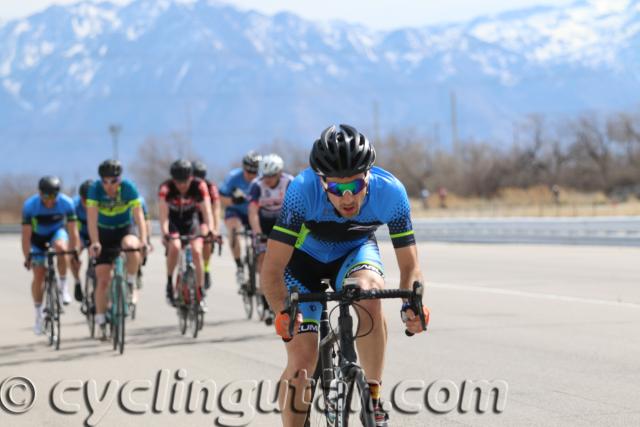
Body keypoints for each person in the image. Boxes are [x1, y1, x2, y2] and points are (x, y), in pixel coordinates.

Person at [261, 124, 430, 427]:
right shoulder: (302, 191)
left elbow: (409, 265)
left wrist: (412, 305)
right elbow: (272, 268)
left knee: (370, 297)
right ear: (322, 182)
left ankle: (372, 398)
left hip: (354, 253)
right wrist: (281, 311)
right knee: (301, 364)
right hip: (303, 263)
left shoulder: (390, 192)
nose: (348, 197)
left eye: (356, 186)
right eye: (337, 189)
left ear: (369, 175)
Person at [87, 160, 147, 341]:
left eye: (113, 181)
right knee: (103, 279)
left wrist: (143, 240)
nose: (109, 186)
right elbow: (91, 219)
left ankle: (130, 281)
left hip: (124, 228)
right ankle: (101, 319)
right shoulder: (95, 190)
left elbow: (139, 216)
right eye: (105, 181)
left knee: (132, 246)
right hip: (103, 232)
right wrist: (95, 242)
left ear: (119, 180)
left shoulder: (129, 188)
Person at [22, 176, 79, 334]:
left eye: (53, 196)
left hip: (56, 233)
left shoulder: (66, 203)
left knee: (61, 247)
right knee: (39, 274)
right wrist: (27, 256)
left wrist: (74, 250)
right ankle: (38, 315)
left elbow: (73, 231)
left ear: (58, 194)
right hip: (37, 239)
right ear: (40, 193)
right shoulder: (30, 206)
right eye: (46, 196)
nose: (49, 201)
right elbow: (26, 236)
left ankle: (63, 286)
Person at [158, 159, 214, 309]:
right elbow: (163, 215)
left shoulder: (199, 186)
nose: (182, 186)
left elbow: (207, 211)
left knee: (197, 251)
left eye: (185, 182)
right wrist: (164, 233)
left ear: (191, 177)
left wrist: (210, 229)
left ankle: (200, 292)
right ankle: (169, 282)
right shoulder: (166, 188)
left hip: (191, 222)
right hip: (174, 223)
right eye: (178, 182)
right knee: (175, 247)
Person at [247, 154, 293, 322]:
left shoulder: (289, 182)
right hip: (263, 224)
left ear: (279, 173)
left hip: (282, 223)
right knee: (263, 259)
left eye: (271, 176)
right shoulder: (256, 185)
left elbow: (296, 208)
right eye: (265, 176)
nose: (268, 180)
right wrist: (258, 233)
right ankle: (265, 302)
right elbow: (252, 212)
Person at [219, 150, 261, 286]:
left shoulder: (262, 179)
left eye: (254, 172)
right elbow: (220, 198)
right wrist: (233, 201)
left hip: (252, 212)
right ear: (243, 168)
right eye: (248, 172)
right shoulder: (233, 177)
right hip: (235, 211)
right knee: (234, 231)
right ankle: (239, 267)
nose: (251, 175)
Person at [192, 160, 222, 289]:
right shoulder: (187, 186)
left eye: (202, 177)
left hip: (204, 218)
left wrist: (215, 229)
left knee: (207, 235)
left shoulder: (211, 187)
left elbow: (215, 210)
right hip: (189, 217)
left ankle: (206, 268)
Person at [70, 179, 94, 303]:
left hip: (95, 233)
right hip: (80, 234)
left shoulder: (100, 202)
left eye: (90, 200)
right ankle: (77, 281)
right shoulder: (73, 205)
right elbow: (70, 227)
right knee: (72, 255)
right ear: (81, 198)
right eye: (85, 200)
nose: (87, 203)